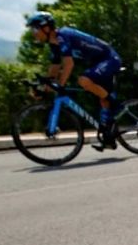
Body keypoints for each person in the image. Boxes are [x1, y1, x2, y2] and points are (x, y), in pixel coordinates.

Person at [26, 11, 122, 151]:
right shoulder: (54, 44)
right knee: (103, 100)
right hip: (97, 62)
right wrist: (46, 86)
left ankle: (115, 104)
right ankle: (109, 136)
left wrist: (60, 85)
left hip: (108, 58)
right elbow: (54, 68)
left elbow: (69, 64)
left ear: (46, 28)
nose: (33, 33)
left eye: (35, 29)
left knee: (83, 80)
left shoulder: (63, 36)